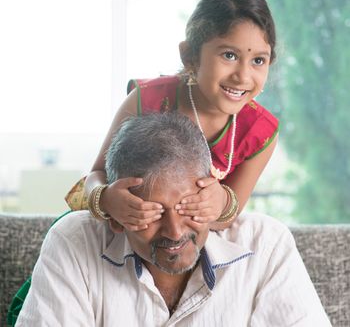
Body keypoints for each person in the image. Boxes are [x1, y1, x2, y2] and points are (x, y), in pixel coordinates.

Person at [16, 113, 331, 326]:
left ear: (211, 190)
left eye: (187, 206)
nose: (175, 231)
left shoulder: (267, 245)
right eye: (149, 213)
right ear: (115, 218)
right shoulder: (73, 241)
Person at [80, 0, 279, 232]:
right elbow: (95, 175)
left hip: (190, 242)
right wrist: (106, 198)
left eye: (258, 60)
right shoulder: (146, 100)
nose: (243, 76)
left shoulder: (260, 132)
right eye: (229, 55)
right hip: (130, 231)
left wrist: (222, 202)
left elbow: (229, 216)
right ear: (189, 56)